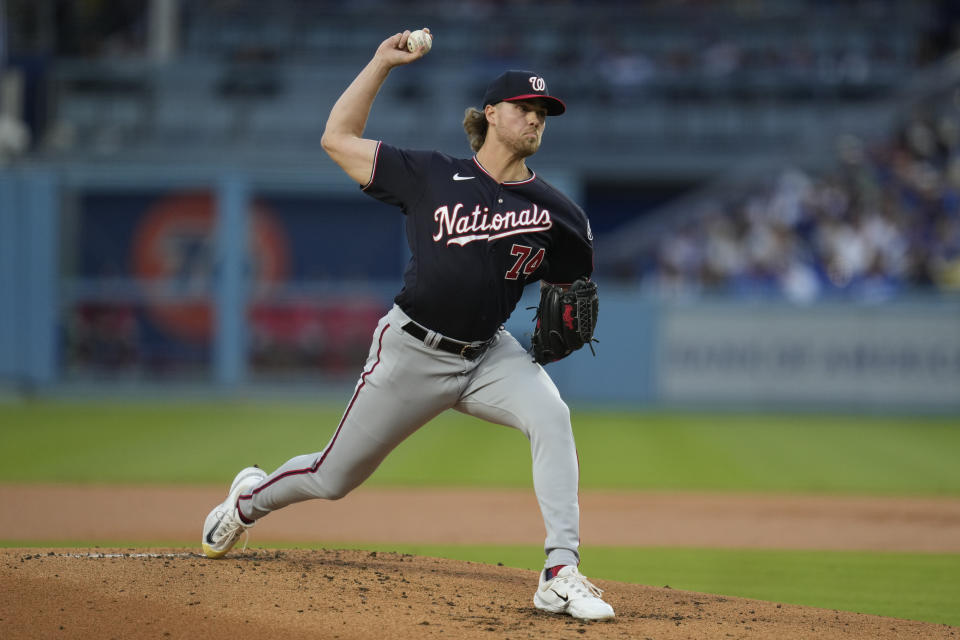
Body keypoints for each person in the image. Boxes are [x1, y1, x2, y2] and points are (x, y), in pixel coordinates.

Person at [200, 28, 614, 621]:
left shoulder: (560, 215)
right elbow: (335, 138)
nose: (536, 119)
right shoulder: (429, 174)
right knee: (331, 478)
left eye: (544, 112)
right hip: (411, 353)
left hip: (487, 355)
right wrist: (380, 63)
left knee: (552, 415)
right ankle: (247, 503)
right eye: (525, 108)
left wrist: (561, 314)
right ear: (492, 113)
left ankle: (559, 570)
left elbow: (569, 288)